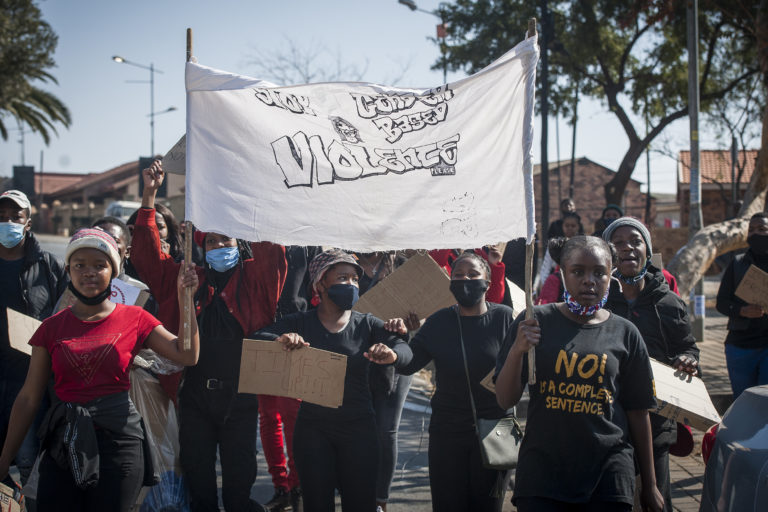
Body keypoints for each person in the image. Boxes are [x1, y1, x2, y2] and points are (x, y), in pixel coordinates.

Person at [0, 228, 200, 512]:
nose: (89, 272)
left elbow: (187, 354)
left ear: (113, 271)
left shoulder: (136, 318)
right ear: (68, 270)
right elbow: (29, 398)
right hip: (63, 443)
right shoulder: (50, 328)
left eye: (100, 265)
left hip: (120, 445)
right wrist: (4, 458)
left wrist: (186, 298)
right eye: (80, 265)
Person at [130, 160, 287, 512]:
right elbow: (146, 258)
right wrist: (150, 194)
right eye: (211, 241)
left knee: (239, 483)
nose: (218, 246)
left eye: (226, 239)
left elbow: (272, 249)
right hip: (193, 399)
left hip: (241, 400)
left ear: (240, 243)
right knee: (199, 483)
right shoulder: (186, 277)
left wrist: (251, 186)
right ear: (201, 247)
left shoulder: (256, 282)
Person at [495, 236, 663, 512]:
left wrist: (650, 483)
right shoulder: (533, 321)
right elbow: (504, 399)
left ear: (611, 276)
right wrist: (517, 350)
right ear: (562, 272)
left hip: (609, 476)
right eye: (578, 271)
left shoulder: (625, 332)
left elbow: (638, 411)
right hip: (543, 476)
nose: (589, 280)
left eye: (600, 272)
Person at [254, 249, 413, 512]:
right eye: (342, 278)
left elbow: (405, 353)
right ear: (320, 284)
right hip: (313, 433)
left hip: (360, 431)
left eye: (354, 279)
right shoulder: (300, 323)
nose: (351, 284)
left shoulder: (368, 325)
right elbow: (256, 338)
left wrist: (393, 353)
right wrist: (279, 340)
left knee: (361, 503)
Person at [393, 251, 512, 512]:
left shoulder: (505, 318)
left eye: (473, 274)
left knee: (488, 506)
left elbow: (523, 368)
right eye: (458, 275)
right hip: (448, 432)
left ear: (487, 283)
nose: (465, 279)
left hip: (497, 431)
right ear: (450, 282)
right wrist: (394, 348)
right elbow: (410, 361)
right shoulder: (438, 322)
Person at [602, 217, 699, 512]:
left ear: (647, 248)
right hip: (606, 422)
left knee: (655, 500)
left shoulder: (669, 303)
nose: (627, 248)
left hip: (656, 424)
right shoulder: (599, 301)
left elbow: (688, 347)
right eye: (618, 242)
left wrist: (689, 360)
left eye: (635, 241)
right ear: (608, 252)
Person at [0, 189, 68, 496]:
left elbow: (66, 314)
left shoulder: (49, 266)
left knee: (29, 465)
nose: (8, 223)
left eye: (16, 217)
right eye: (1, 218)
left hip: (30, 383)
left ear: (28, 222)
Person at [354, 251, 415, 512]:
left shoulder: (403, 266)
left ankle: (381, 501)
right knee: (357, 430)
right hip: (356, 356)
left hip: (395, 361)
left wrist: (411, 325)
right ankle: (356, 493)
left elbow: (421, 314)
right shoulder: (347, 263)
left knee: (386, 430)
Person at [261, 245, 320, 512]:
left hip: (297, 336)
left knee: (293, 415)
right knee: (268, 417)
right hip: (262, 333)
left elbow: (315, 287)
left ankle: (297, 487)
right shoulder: (254, 240)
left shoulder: (306, 243)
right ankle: (281, 487)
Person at [716, 212, 768, 399]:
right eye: (751, 230)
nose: (756, 233)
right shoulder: (737, 264)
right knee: (744, 402)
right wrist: (741, 311)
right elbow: (721, 303)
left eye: (762, 229)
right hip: (740, 347)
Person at [536, 212, 583, 298]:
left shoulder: (583, 246)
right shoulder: (555, 245)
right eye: (567, 225)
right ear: (562, 226)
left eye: (573, 226)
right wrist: (544, 286)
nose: (570, 228)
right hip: (557, 286)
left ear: (578, 227)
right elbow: (545, 268)